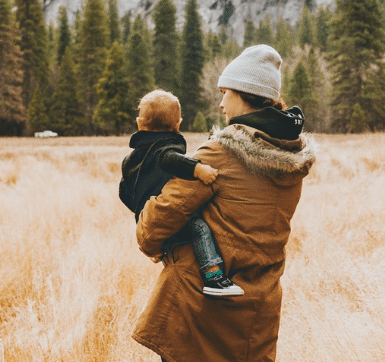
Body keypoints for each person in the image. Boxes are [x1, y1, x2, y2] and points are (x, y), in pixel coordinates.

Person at [133, 44, 315, 362]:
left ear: (243, 94)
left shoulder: (220, 153)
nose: (220, 103)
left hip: (199, 314)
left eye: (225, 92)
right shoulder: (292, 160)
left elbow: (156, 224)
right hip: (257, 316)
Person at [119, 89, 244, 297]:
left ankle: (164, 247)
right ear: (178, 124)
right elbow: (169, 159)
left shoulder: (132, 159)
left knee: (178, 240)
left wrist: (140, 207)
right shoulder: (164, 148)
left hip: (146, 216)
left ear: (139, 123)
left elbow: (124, 191)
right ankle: (213, 276)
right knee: (199, 228)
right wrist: (198, 169)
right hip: (165, 214)